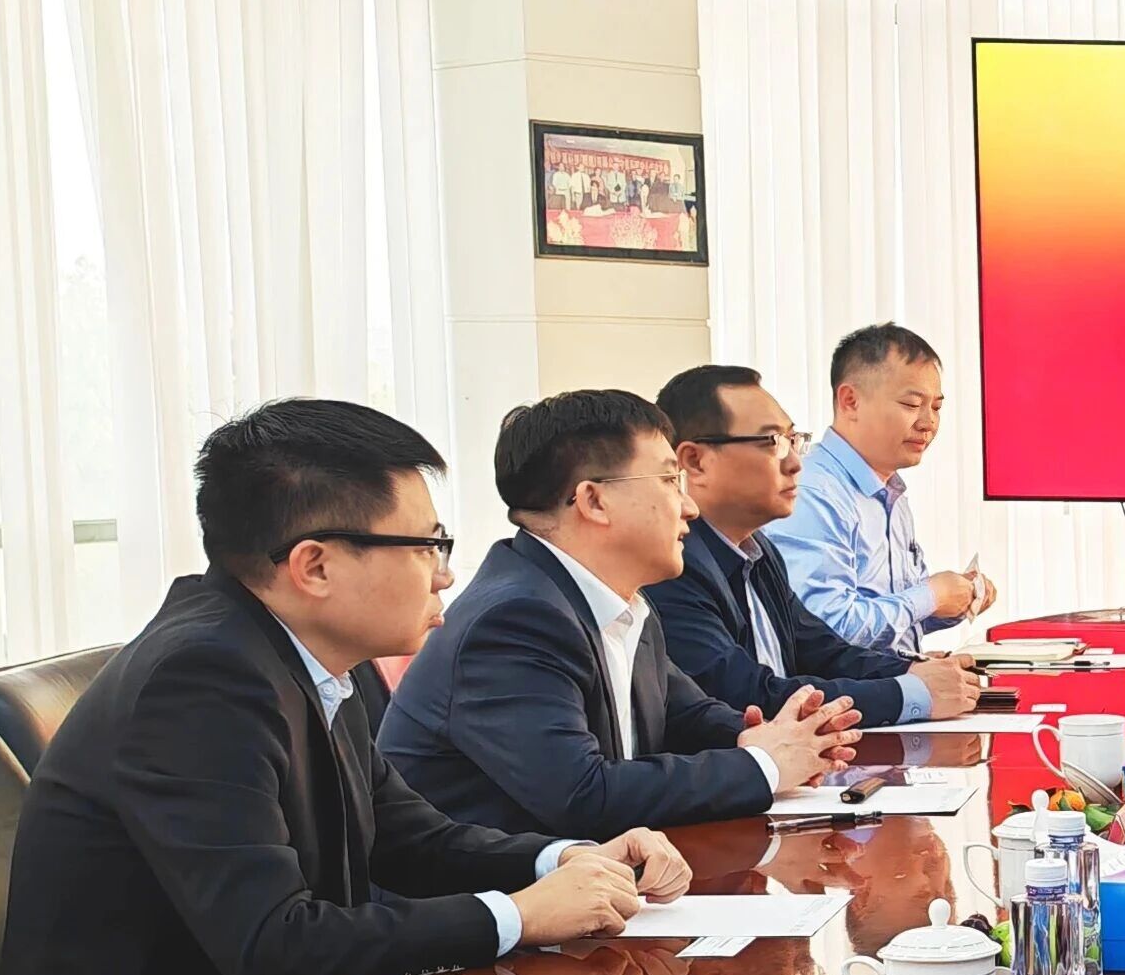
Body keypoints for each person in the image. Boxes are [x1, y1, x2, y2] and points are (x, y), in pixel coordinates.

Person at [0, 399, 687, 975]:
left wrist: (565, 859)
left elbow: (409, 839)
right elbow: (276, 945)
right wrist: (518, 917)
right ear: (315, 567)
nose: (445, 574)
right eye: (426, 546)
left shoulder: (301, 655)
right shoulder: (202, 680)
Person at [381, 388, 859, 836]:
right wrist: (763, 764)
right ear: (594, 500)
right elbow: (583, 796)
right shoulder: (513, 620)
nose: (690, 506)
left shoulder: (623, 602)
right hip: (493, 890)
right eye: (670, 480)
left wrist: (777, 738)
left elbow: (686, 715)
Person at [650, 363, 983, 724]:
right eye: (772, 442)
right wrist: (909, 693)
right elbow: (750, 696)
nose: (796, 463)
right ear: (695, 461)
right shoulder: (673, 566)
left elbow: (824, 651)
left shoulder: (758, 551)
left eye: (793, 440)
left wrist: (912, 671)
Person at [759, 322, 995, 657]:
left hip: (890, 678)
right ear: (850, 401)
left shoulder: (891, 491)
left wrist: (955, 600)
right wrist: (930, 596)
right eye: (911, 404)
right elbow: (828, 632)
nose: (928, 423)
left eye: (936, 407)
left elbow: (891, 618)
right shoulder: (813, 493)